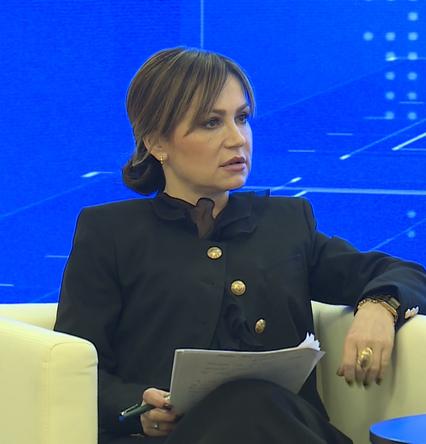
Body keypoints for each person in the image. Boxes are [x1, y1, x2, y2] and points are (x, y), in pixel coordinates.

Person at [54, 47, 426, 444]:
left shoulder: (286, 224)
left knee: (253, 404)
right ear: (158, 143)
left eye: (242, 118)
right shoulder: (109, 233)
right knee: (243, 404)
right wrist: (137, 408)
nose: (237, 139)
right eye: (211, 123)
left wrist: (379, 307)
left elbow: (403, 273)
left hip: (284, 429)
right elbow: (76, 369)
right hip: (172, 437)